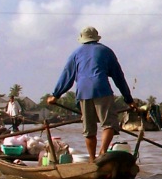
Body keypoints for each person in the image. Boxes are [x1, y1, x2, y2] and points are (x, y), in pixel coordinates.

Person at [47, 26, 136, 159]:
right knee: (109, 124)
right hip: (102, 89)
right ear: (96, 38)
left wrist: (55, 95)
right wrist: (129, 100)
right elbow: (119, 77)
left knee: (89, 130)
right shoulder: (106, 51)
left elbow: (67, 76)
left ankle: (92, 159)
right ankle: (102, 152)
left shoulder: (76, 53)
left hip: (83, 91)